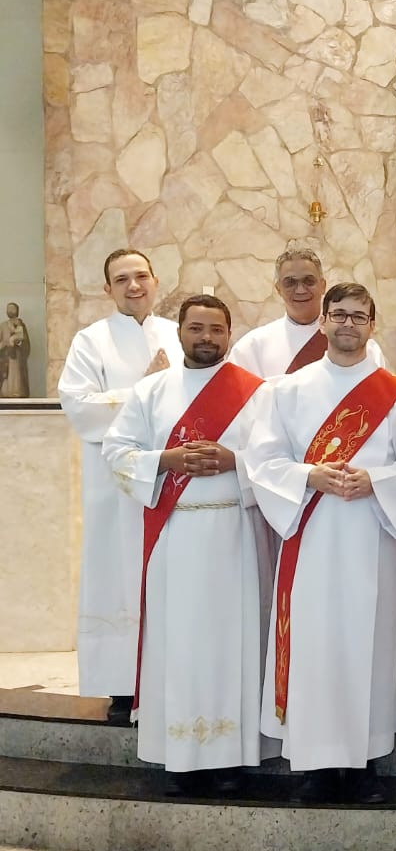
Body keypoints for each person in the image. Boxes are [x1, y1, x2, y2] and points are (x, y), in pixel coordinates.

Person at [246, 282, 396, 804]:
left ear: (371, 325)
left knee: (369, 647)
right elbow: (261, 461)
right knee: (313, 647)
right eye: (339, 314)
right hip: (310, 536)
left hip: (371, 536)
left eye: (359, 316)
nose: (348, 323)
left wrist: (375, 480)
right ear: (323, 322)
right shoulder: (285, 391)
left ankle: (364, 762)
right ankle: (315, 766)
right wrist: (310, 476)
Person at [102, 295, 273, 795]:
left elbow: (276, 461)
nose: (206, 338)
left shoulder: (256, 394)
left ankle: (232, 758)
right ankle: (180, 756)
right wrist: (168, 459)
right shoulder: (151, 392)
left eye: (215, 330)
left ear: (229, 333)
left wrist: (234, 462)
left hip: (236, 536)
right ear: (179, 332)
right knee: (178, 644)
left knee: (234, 642)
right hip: (174, 538)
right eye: (196, 328)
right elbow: (116, 452)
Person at [58, 248, 182, 717]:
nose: (134, 285)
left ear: (156, 280)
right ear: (107, 289)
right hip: (116, 484)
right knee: (118, 574)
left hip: (170, 478)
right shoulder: (92, 341)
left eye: (142, 275)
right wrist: (143, 389)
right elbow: (79, 406)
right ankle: (122, 687)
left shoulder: (177, 333)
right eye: (122, 279)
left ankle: (169, 677)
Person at [229, 248, 387, 378]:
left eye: (308, 281)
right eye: (290, 282)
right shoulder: (252, 348)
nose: (300, 290)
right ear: (278, 289)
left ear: (323, 285)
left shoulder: (363, 346)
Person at [0, 302, 31, 398]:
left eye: (12, 308)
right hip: (6, 357)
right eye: (8, 308)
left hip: (17, 357)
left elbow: (26, 343)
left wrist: (19, 341)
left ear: (17, 311)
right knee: (7, 380)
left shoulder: (21, 325)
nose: (10, 310)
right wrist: (5, 343)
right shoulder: (2, 326)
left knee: (18, 378)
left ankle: (18, 393)